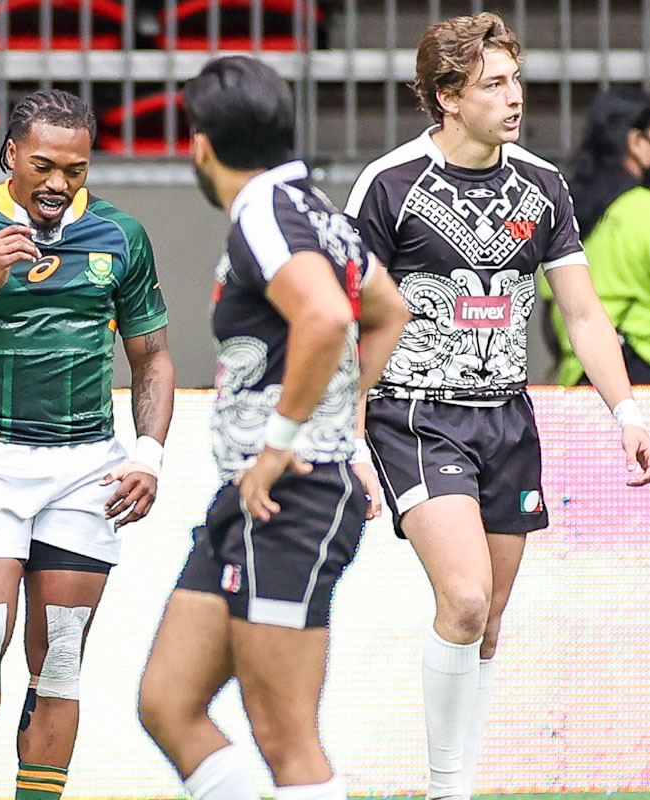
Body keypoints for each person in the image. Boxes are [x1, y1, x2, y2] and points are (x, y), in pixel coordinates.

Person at [343, 13, 650, 800]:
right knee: (464, 597)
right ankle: (447, 791)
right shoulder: (390, 185)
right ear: (448, 96)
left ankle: (458, 780)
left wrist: (627, 413)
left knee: (485, 625)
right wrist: (346, 433)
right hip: (416, 414)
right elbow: (348, 318)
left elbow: (583, 314)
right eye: (493, 84)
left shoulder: (543, 186)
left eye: (516, 79)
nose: (514, 96)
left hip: (507, 418)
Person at [136, 55, 409, 800]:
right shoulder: (314, 208)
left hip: (291, 496)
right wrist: (339, 416)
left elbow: (325, 316)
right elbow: (386, 310)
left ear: (199, 145)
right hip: (253, 498)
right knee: (167, 702)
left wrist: (288, 442)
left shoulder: (263, 212)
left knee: (284, 735)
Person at [0, 88, 175, 800]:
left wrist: (148, 454)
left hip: (86, 468)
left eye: (75, 170)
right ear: (11, 155)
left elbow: (151, 357)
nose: (58, 184)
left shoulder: (120, 235)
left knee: (61, 660)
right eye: (44, 166)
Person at [541, 87, 650, 385]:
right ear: (636, 141)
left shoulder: (564, 216)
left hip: (579, 387)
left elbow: (549, 321)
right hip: (647, 388)